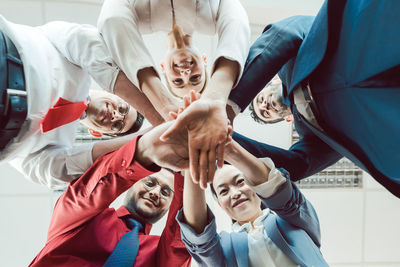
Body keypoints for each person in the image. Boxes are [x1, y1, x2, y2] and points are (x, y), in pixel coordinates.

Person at [228, 0, 400, 198]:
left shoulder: (294, 52)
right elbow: (296, 166)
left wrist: (228, 107)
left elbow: (285, 32)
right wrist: (227, 145)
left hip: (376, 26)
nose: (265, 106)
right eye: (266, 114)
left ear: (271, 80)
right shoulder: (316, 137)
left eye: (260, 100)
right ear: (288, 119)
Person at [0, 17, 162, 189]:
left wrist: (145, 139)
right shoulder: (77, 64)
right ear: (112, 92)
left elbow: (53, 172)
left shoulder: (59, 146)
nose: (115, 115)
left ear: (97, 133)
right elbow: (85, 43)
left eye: (117, 125)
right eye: (122, 108)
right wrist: (160, 119)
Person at [29, 121, 192, 267]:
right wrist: (147, 150)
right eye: (149, 183)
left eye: (166, 192)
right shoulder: (83, 220)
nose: (156, 193)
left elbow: (181, 243)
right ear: (132, 184)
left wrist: (188, 166)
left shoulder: (158, 253)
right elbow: (94, 189)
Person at [176, 139, 328, 267]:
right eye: (223, 191)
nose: (235, 193)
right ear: (221, 205)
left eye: (240, 181)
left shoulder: (295, 221)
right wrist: (192, 162)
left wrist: (227, 147)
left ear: (255, 187)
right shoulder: (225, 247)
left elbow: (282, 195)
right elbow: (199, 239)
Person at [97, 0, 250, 118]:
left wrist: (164, 107)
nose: (185, 73)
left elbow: (111, 19)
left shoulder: (138, 19)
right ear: (204, 61)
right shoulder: (213, 17)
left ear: (162, 67)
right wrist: (216, 97)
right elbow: (238, 23)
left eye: (177, 81)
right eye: (195, 77)